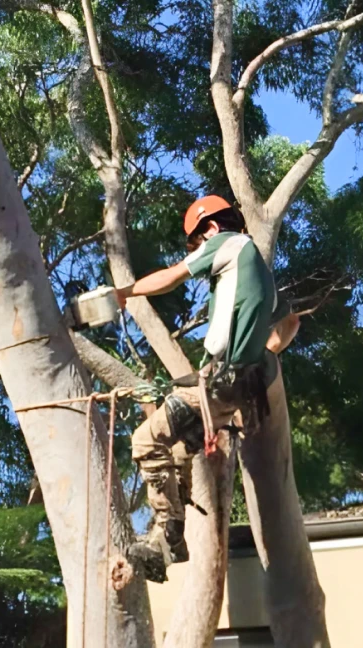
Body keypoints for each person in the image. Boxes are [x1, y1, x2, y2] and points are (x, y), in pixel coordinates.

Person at [116, 195, 297, 575]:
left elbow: (170, 277)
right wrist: (261, 354)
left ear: (210, 229)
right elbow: (290, 324)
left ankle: (167, 530)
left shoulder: (227, 241)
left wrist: (125, 293)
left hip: (219, 380)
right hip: (235, 389)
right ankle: (168, 547)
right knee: (180, 450)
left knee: (145, 441)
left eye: (198, 244)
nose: (201, 255)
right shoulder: (258, 272)